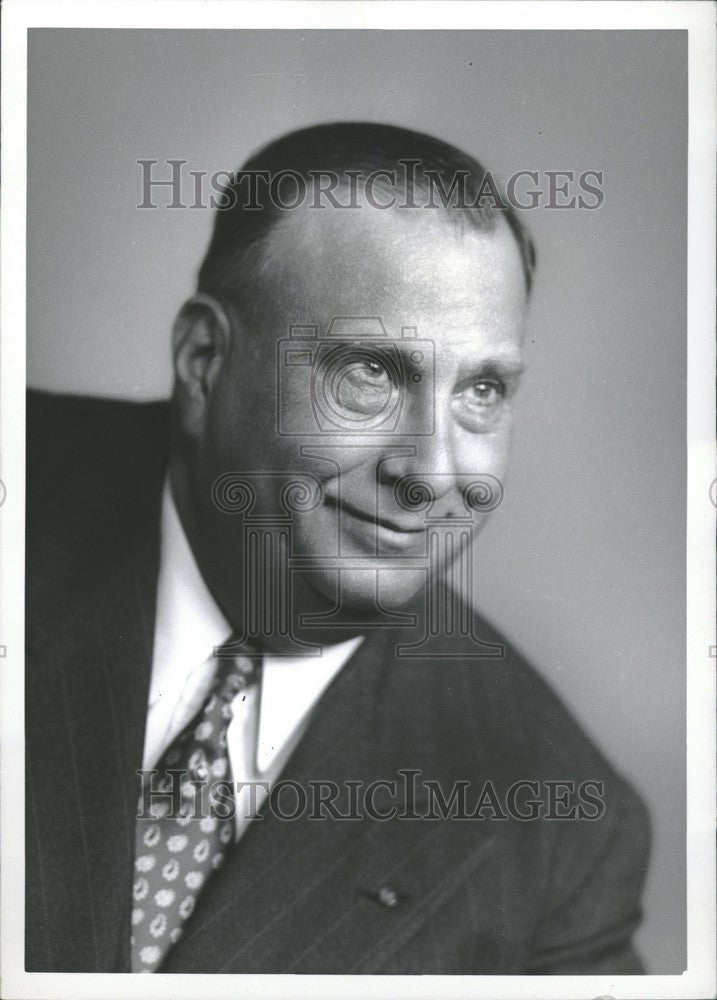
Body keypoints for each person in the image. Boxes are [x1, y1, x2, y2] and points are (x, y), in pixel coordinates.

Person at [25, 122, 650, 975]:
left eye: (481, 390)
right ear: (205, 360)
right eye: (370, 372)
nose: (431, 473)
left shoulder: (552, 833)